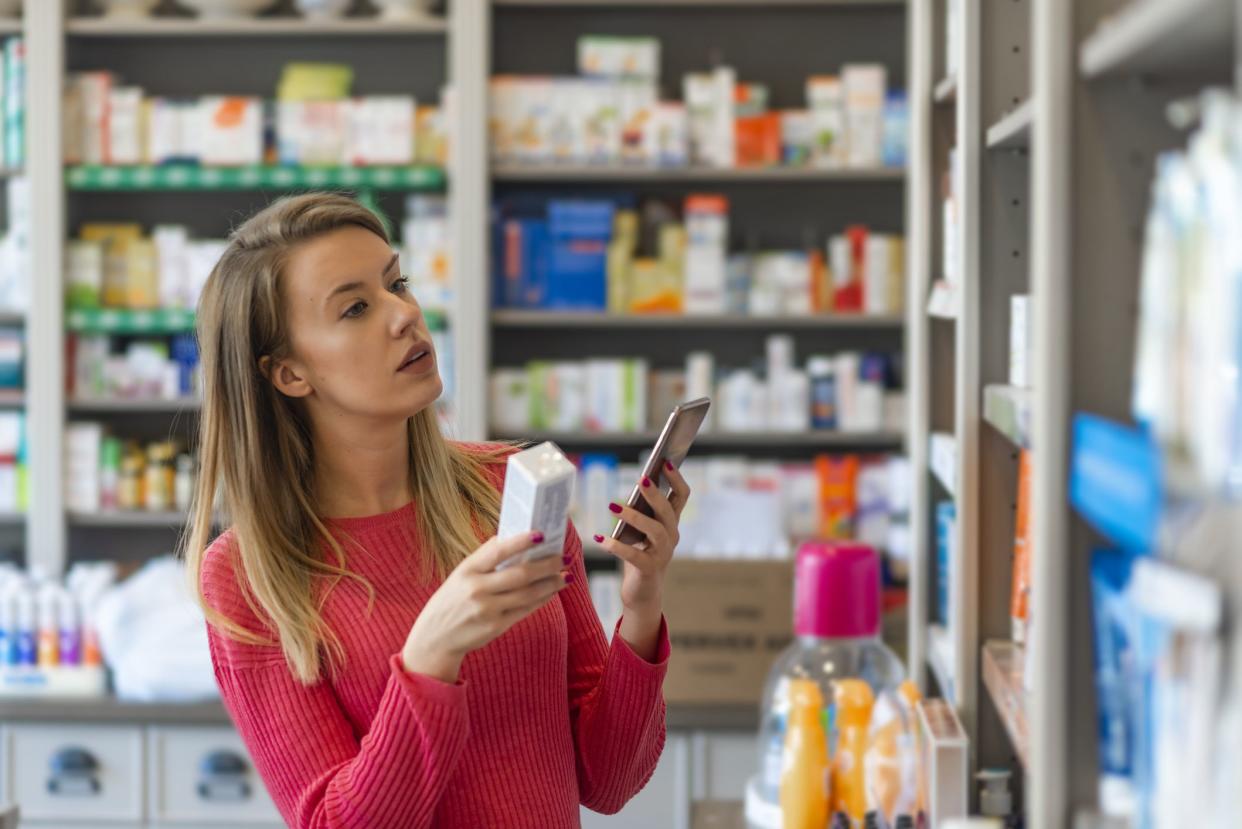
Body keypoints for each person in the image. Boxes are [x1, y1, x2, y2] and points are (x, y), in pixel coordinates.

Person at [184, 193, 689, 828]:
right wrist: (430, 656)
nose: (404, 315)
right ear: (289, 374)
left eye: (398, 284)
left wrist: (642, 604)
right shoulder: (246, 577)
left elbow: (607, 780)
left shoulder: (508, 487)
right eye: (357, 308)